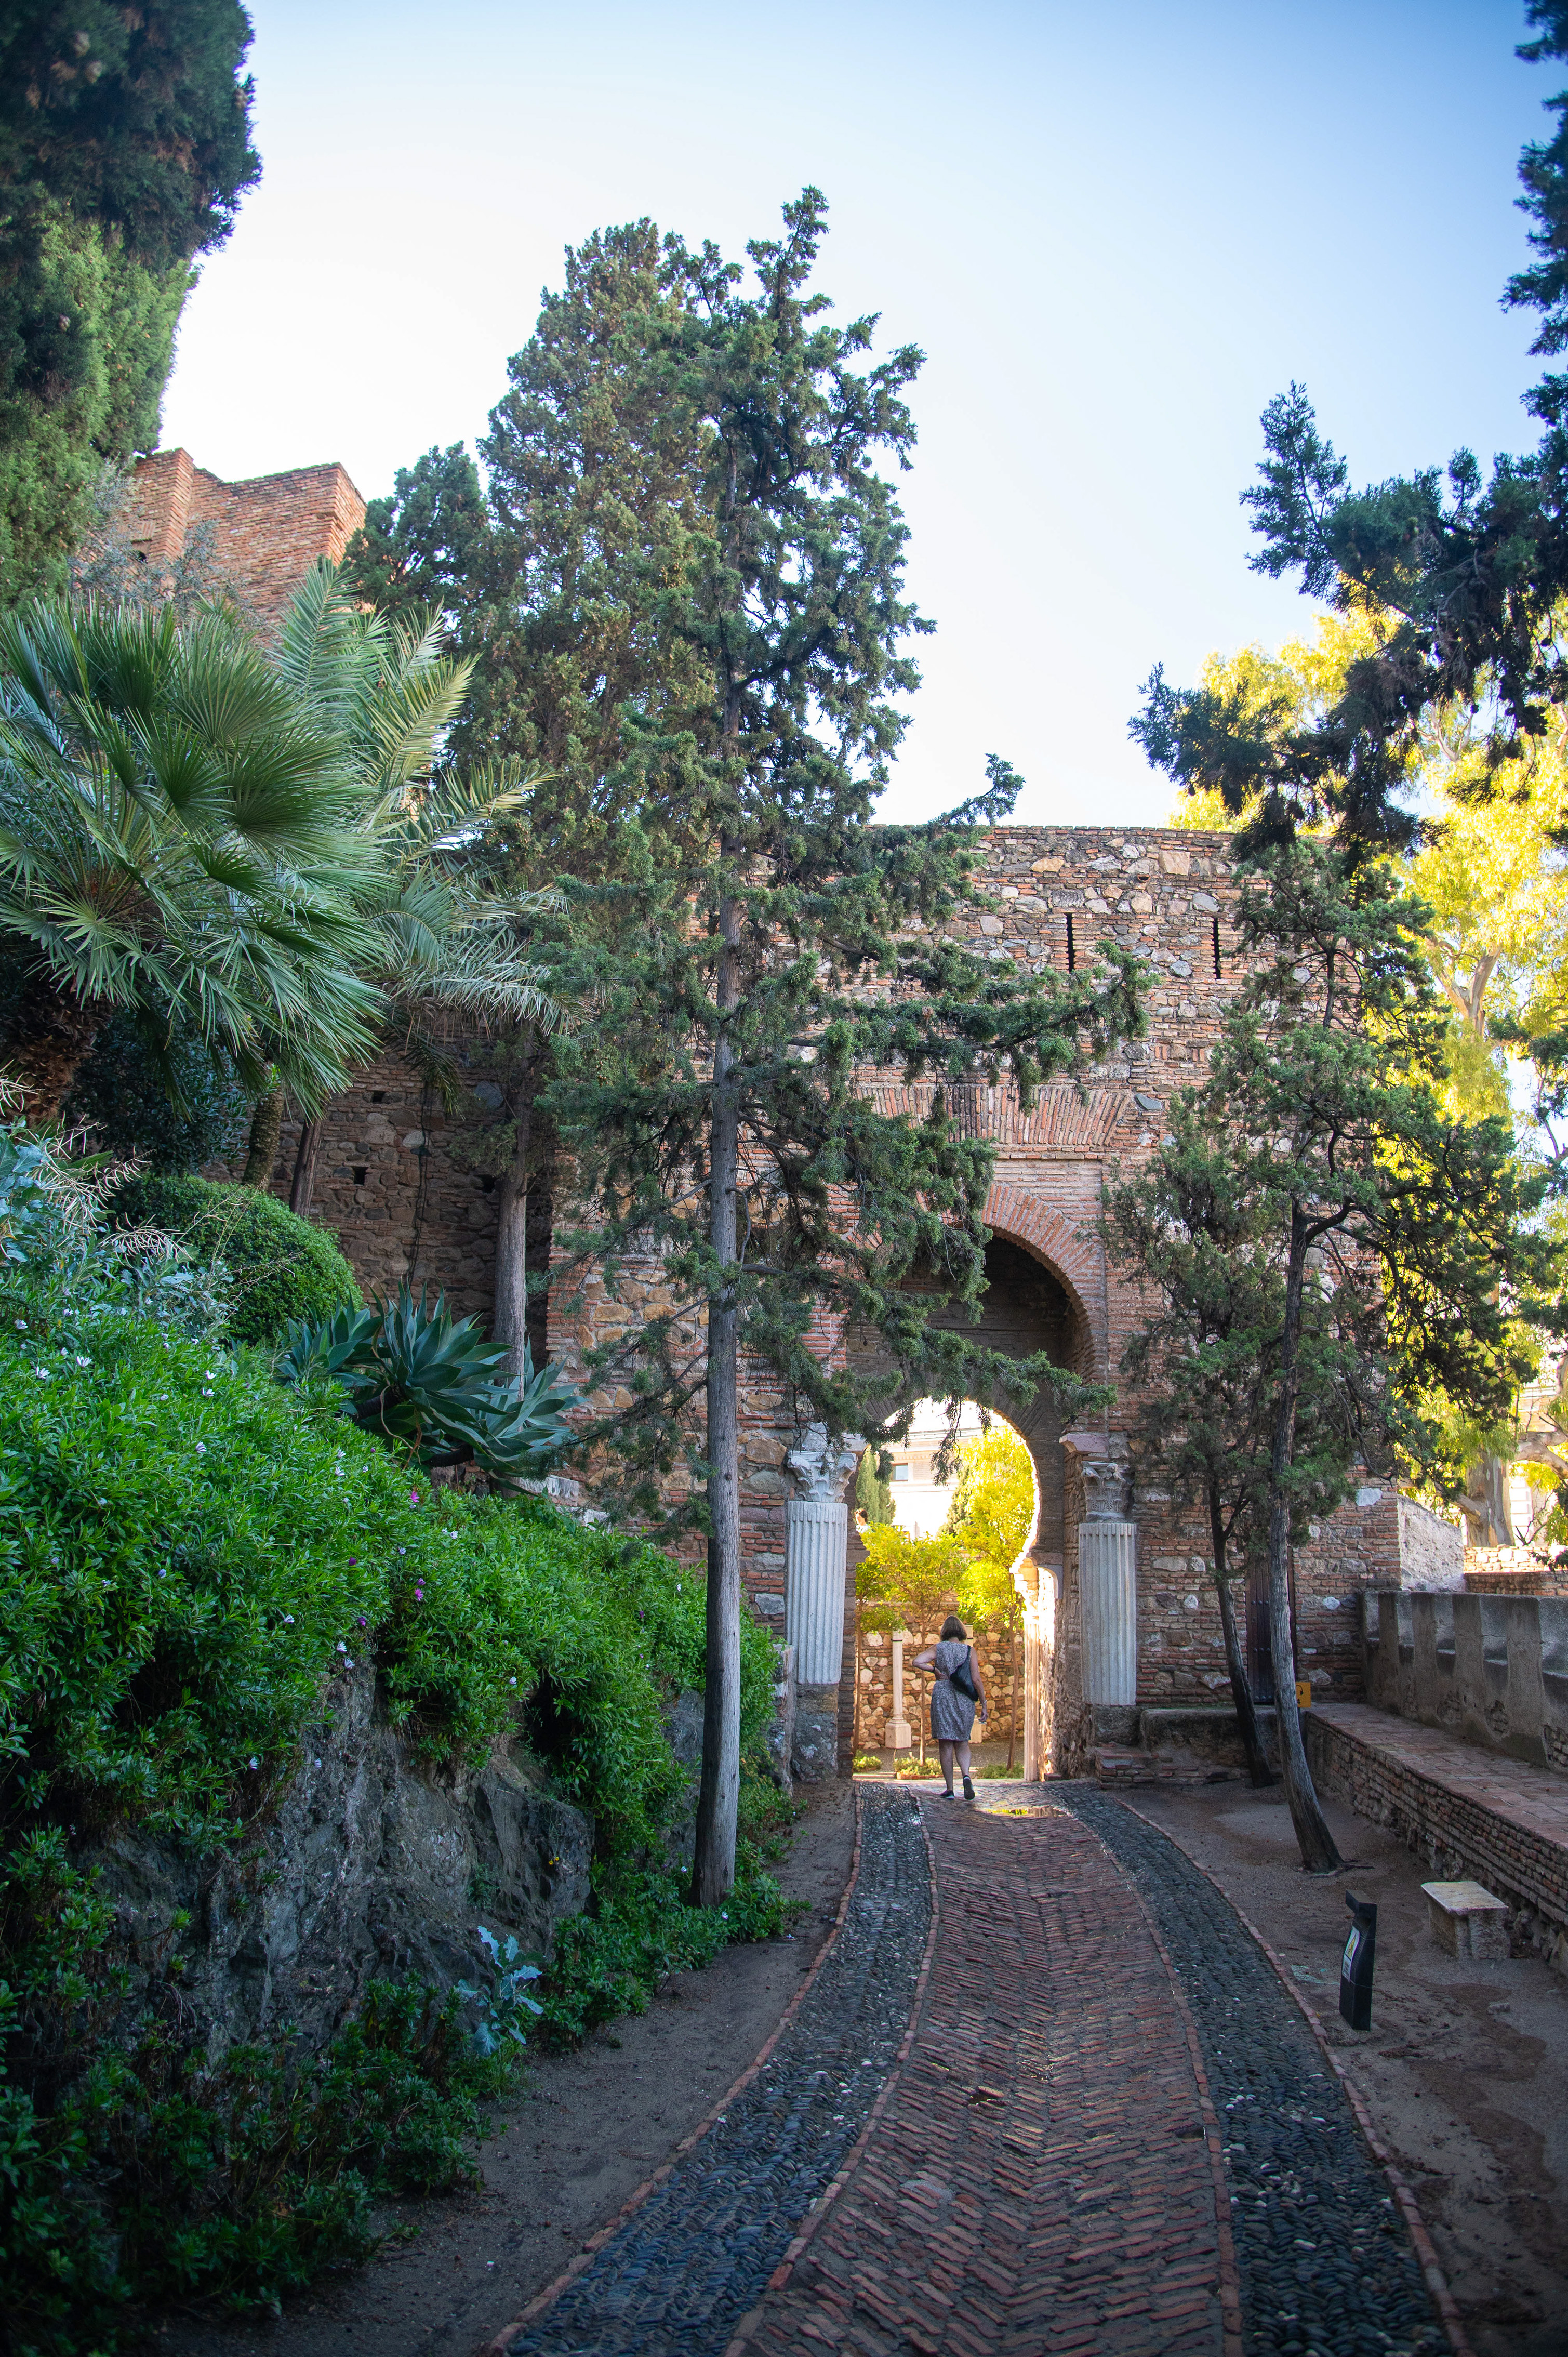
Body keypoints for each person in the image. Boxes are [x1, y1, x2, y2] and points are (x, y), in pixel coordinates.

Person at [914, 1614, 987, 1800]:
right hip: (964, 1699)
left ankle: (950, 1790)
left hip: (943, 1697)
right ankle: (966, 1775)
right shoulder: (969, 1651)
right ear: (962, 1632)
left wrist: (934, 1670)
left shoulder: (938, 1648)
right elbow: (976, 1680)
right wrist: (984, 1703)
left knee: (946, 1744)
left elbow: (917, 1661)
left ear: (944, 1632)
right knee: (962, 1742)